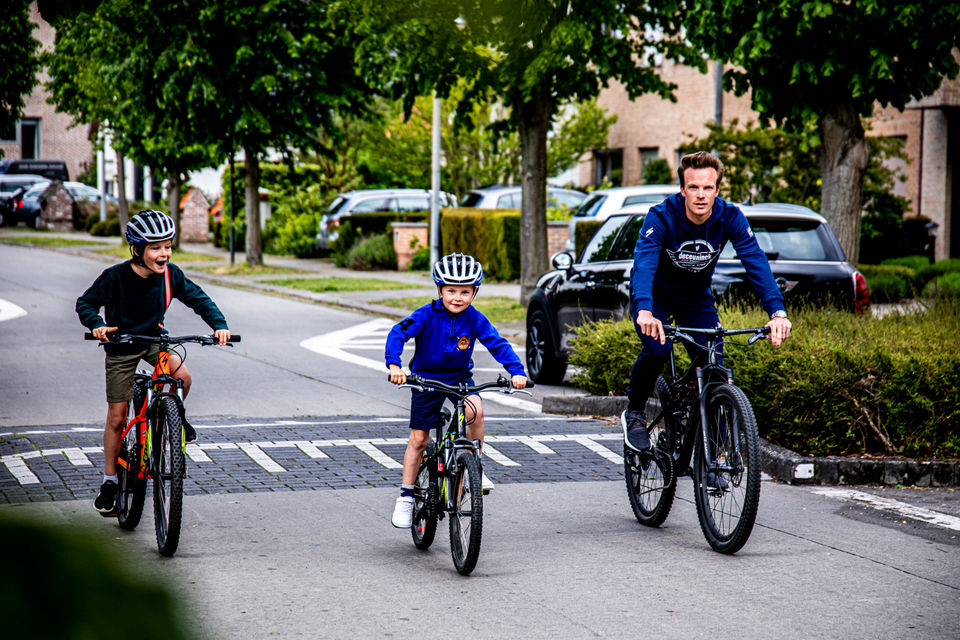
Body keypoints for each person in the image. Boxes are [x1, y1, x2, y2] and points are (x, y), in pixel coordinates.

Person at [623, 151, 792, 454]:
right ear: (682, 190)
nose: (701, 195)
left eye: (708, 188)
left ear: (717, 189)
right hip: (655, 298)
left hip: (695, 297)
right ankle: (634, 413)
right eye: (694, 188)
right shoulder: (661, 216)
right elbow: (645, 264)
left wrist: (777, 312)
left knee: (714, 366)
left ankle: (713, 450)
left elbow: (755, 262)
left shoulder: (729, 217)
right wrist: (645, 310)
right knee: (657, 349)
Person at [77, 210, 231, 516]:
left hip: (155, 341)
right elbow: (86, 303)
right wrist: (97, 324)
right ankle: (109, 480)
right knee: (118, 418)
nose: (164, 254)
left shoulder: (172, 275)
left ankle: (170, 426)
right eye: (156, 248)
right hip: (121, 346)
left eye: (168, 246)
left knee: (182, 377)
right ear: (138, 250)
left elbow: (199, 299)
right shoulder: (115, 277)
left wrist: (219, 324)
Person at [385, 253, 527, 529]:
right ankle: (405, 496)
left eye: (465, 291)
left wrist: (517, 371)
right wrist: (395, 365)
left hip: (460, 377)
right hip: (426, 379)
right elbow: (398, 333)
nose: (457, 297)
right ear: (440, 290)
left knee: (477, 411)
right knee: (419, 439)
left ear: (475, 292)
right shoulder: (426, 314)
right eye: (451, 291)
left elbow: (498, 344)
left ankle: (476, 466)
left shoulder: (475, 319)